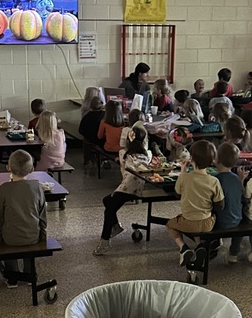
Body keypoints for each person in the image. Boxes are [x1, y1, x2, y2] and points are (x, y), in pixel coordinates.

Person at [94, 125, 154, 255]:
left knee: (109, 206)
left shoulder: (123, 154)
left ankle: (106, 239)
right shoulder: (147, 155)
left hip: (127, 186)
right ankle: (115, 227)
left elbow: (123, 163)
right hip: (139, 187)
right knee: (108, 202)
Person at [166, 139, 223, 266]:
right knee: (206, 216)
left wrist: (183, 171)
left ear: (192, 158)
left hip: (188, 222)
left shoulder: (184, 177)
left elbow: (177, 193)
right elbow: (220, 203)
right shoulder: (214, 181)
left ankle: (183, 248)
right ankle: (199, 245)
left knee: (170, 225)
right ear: (212, 161)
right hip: (207, 223)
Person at [0, 149, 47, 287]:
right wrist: (43, 234)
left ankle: (12, 278)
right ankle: (30, 273)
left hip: (9, 238)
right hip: (32, 236)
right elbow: (42, 213)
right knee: (29, 236)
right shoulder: (37, 186)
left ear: (8, 168)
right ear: (31, 169)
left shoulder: (4, 189)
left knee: (9, 238)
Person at [212, 142, 243, 238]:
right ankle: (235, 248)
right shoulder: (236, 178)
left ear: (218, 160)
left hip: (221, 221)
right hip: (237, 219)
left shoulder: (216, 180)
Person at [79, 95, 105, 166]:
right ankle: (102, 159)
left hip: (90, 139)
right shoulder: (104, 116)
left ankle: (87, 159)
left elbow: (81, 130)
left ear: (90, 106)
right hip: (102, 140)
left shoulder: (87, 116)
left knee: (85, 140)